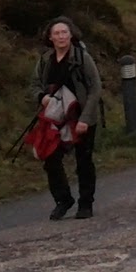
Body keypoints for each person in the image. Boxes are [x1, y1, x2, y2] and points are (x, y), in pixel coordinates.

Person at [30, 16, 102, 221]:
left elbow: (95, 88)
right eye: (57, 33)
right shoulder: (45, 60)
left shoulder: (82, 57)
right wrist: (41, 97)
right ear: (50, 38)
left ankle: (86, 203)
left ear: (71, 35)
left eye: (64, 32)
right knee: (50, 157)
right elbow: (35, 84)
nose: (61, 36)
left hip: (81, 116)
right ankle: (63, 200)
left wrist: (85, 119)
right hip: (55, 118)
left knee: (84, 160)